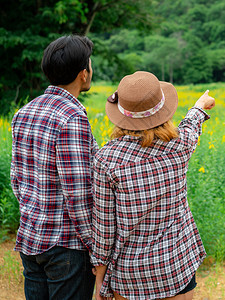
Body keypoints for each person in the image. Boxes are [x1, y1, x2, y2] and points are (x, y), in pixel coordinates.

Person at [91, 71, 215, 300]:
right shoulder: (180, 145)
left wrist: (99, 278)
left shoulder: (106, 159)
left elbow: (104, 228)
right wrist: (199, 105)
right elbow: (191, 125)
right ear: (163, 108)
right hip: (175, 269)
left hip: (129, 277)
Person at [11, 35, 99, 300]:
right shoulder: (72, 118)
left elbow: (17, 179)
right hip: (67, 247)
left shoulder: (24, 111)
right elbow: (78, 195)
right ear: (83, 74)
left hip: (31, 238)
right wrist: (94, 247)